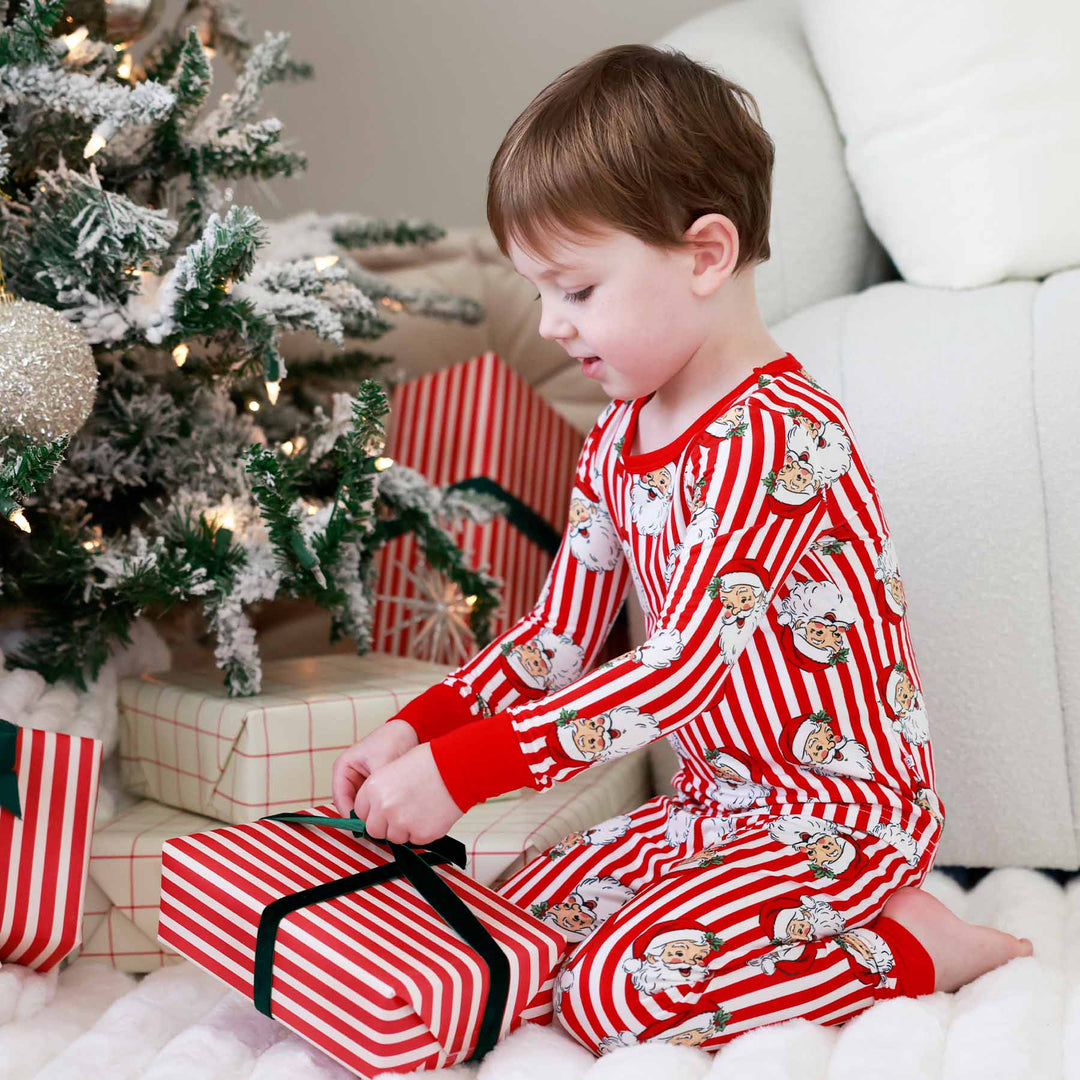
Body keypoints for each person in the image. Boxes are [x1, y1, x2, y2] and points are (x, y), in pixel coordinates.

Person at [332, 43, 1032, 1055]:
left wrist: (469, 768)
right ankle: (809, 928)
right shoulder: (620, 433)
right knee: (520, 929)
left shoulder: (781, 438)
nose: (551, 326)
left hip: (841, 812)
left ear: (706, 255)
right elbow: (557, 635)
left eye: (574, 290)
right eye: (539, 292)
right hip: (715, 803)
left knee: (615, 996)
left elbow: (682, 672)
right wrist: (423, 727)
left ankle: (916, 943)